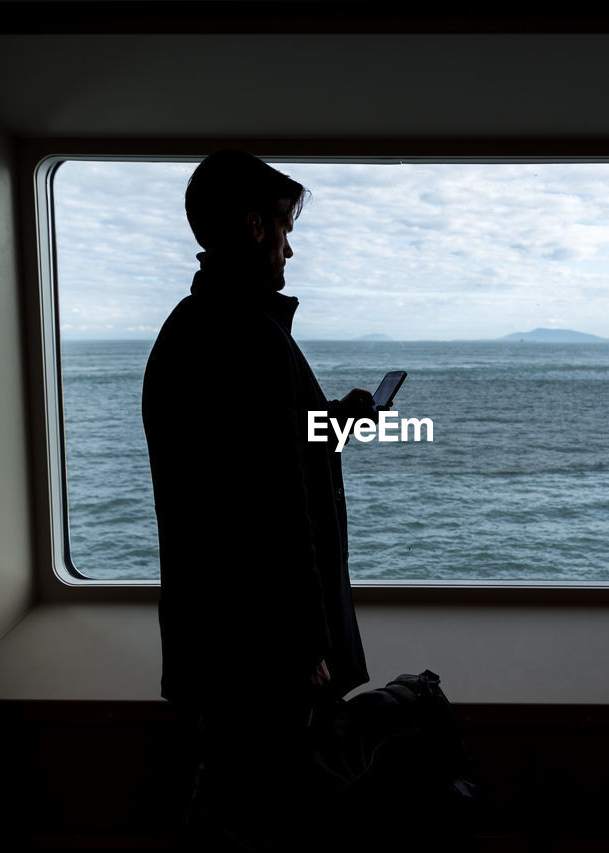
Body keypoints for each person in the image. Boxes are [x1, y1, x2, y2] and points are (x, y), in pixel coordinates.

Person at [141, 150, 373, 845]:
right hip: (260, 643)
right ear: (252, 226)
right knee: (259, 811)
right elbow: (270, 507)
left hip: (221, 631)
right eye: (282, 229)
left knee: (233, 796)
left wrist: (332, 423)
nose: (290, 248)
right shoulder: (249, 338)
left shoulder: (199, 326)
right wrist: (306, 642)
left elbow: (255, 458)